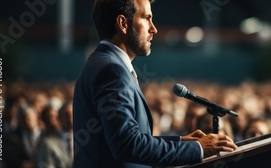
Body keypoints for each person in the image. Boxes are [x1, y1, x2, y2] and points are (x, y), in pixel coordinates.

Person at [73, 0, 237, 167]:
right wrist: (198, 148)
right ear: (123, 23)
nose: (154, 29)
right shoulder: (112, 70)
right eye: (146, 18)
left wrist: (182, 141)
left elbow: (125, 138)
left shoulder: (101, 62)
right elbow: (127, 144)